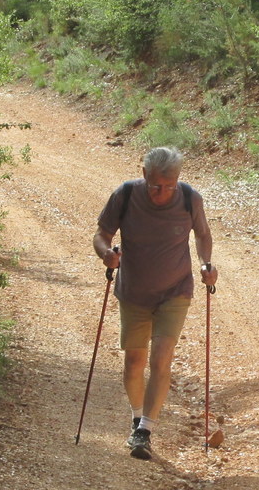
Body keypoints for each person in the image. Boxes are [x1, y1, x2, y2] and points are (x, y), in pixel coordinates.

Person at [92, 146, 218, 460]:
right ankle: (137, 417)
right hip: (134, 291)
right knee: (134, 364)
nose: (162, 192)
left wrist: (207, 264)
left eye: (169, 185)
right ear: (145, 174)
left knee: (161, 358)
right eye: (156, 185)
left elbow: (203, 234)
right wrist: (107, 254)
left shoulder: (190, 198)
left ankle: (145, 430)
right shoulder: (125, 195)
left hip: (175, 290)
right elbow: (101, 234)